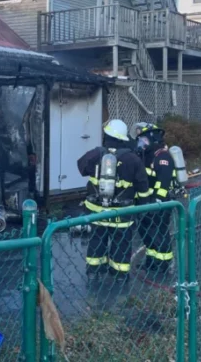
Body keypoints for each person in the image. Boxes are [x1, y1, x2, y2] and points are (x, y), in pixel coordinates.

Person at [77, 119, 150, 280]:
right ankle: (119, 275)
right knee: (121, 243)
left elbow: (81, 166)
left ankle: (94, 271)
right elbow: (143, 188)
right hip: (122, 214)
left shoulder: (96, 153)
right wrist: (142, 208)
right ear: (122, 138)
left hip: (97, 212)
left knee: (97, 240)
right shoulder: (133, 159)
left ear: (107, 135)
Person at [133, 123, 175, 274]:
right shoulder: (146, 156)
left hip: (159, 204)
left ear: (151, 137)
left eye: (143, 139)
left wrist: (157, 201)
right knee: (147, 234)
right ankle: (151, 262)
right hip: (146, 203)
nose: (141, 143)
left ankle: (163, 265)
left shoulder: (162, 155)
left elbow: (163, 182)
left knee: (159, 234)